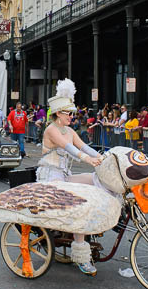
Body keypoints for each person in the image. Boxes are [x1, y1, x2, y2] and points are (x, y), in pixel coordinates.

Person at [37, 79, 104, 277]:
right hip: (50, 177)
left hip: (64, 175)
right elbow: (71, 149)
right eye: (69, 113)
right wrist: (88, 159)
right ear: (58, 113)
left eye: (73, 114)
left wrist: (103, 157)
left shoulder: (70, 130)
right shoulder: (51, 130)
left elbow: (84, 147)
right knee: (77, 203)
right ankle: (82, 255)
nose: (72, 117)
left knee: (94, 180)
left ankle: (100, 219)